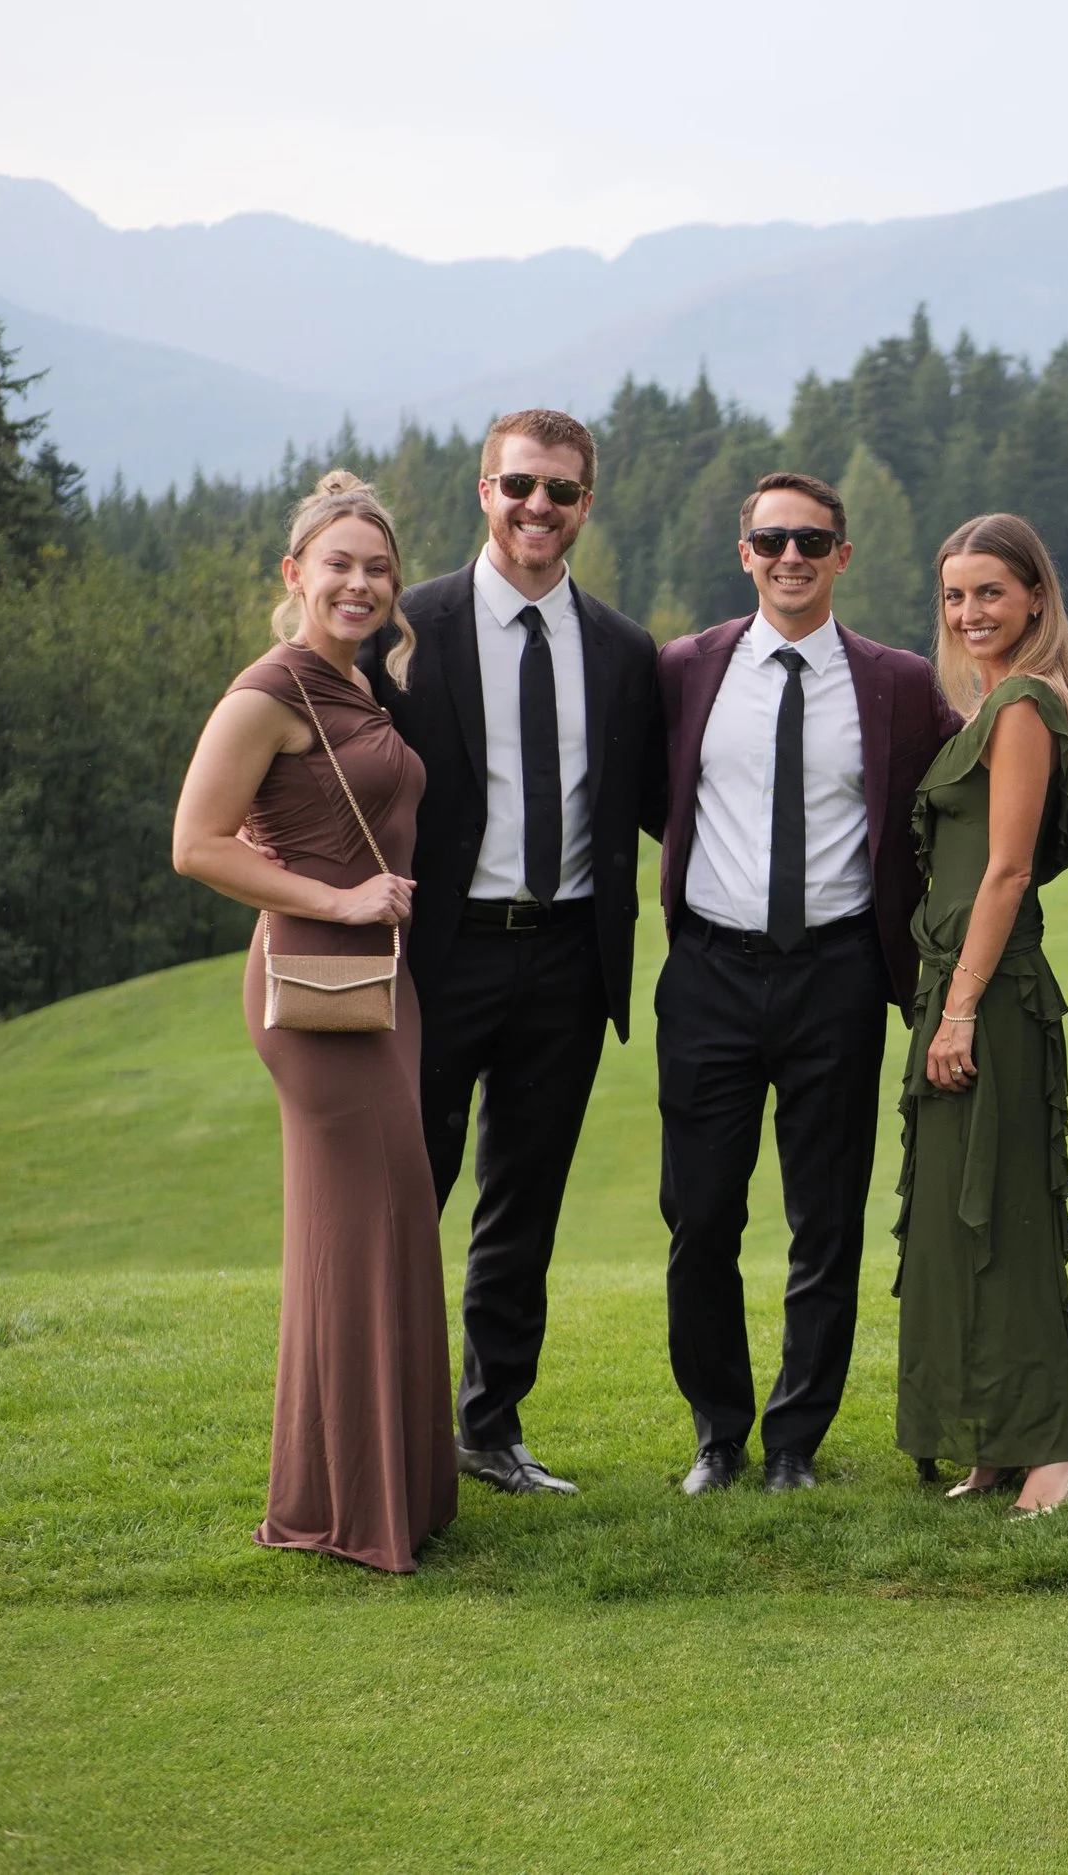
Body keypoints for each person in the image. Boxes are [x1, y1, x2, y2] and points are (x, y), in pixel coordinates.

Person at [356, 410, 664, 1498]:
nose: (540, 507)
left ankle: (490, 1430)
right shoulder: (407, 630)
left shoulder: (626, 653)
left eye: (562, 491)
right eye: (520, 485)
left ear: (586, 505)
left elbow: (670, 805)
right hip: (440, 957)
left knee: (521, 1209)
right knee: (404, 1196)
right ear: (484, 490)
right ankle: (376, 1434)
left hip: (569, 961)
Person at [654, 470, 961, 1495]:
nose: (792, 557)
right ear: (744, 554)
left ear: (843, 556)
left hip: (835, 973)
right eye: (773, 540)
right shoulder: (685, 670)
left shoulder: (899, 683)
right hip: (708, 973)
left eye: (812, 541)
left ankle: (794, 1444)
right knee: (701, 1215)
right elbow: (659, 801)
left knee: (824, 1220)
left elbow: (957, 806)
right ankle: (717, 1432)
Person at [171, 471, 455, 1573]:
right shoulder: (269, 691)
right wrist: (340, 900)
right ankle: (343, 1509)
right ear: (295, 575)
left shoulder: (357, 684)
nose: (361, 582)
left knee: (383, 1226)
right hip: (315, 988)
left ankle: (386, 1491)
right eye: (338, 563)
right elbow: (198, 844)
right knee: (365, 1225)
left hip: (379, 986)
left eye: (377, 567)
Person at [894, 515, 1068, 1516]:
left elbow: (1013, 868)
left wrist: (962, 1008)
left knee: (1001, 1221)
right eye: (953, 596)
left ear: (1033, 598)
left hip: (988, 997)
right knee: (954, 1224)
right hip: (957, 986)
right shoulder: (1002, 700)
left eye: (988, 593)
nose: (969, 612)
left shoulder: (1023, 703)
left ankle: (1055, 1447)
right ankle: (995, 1436)